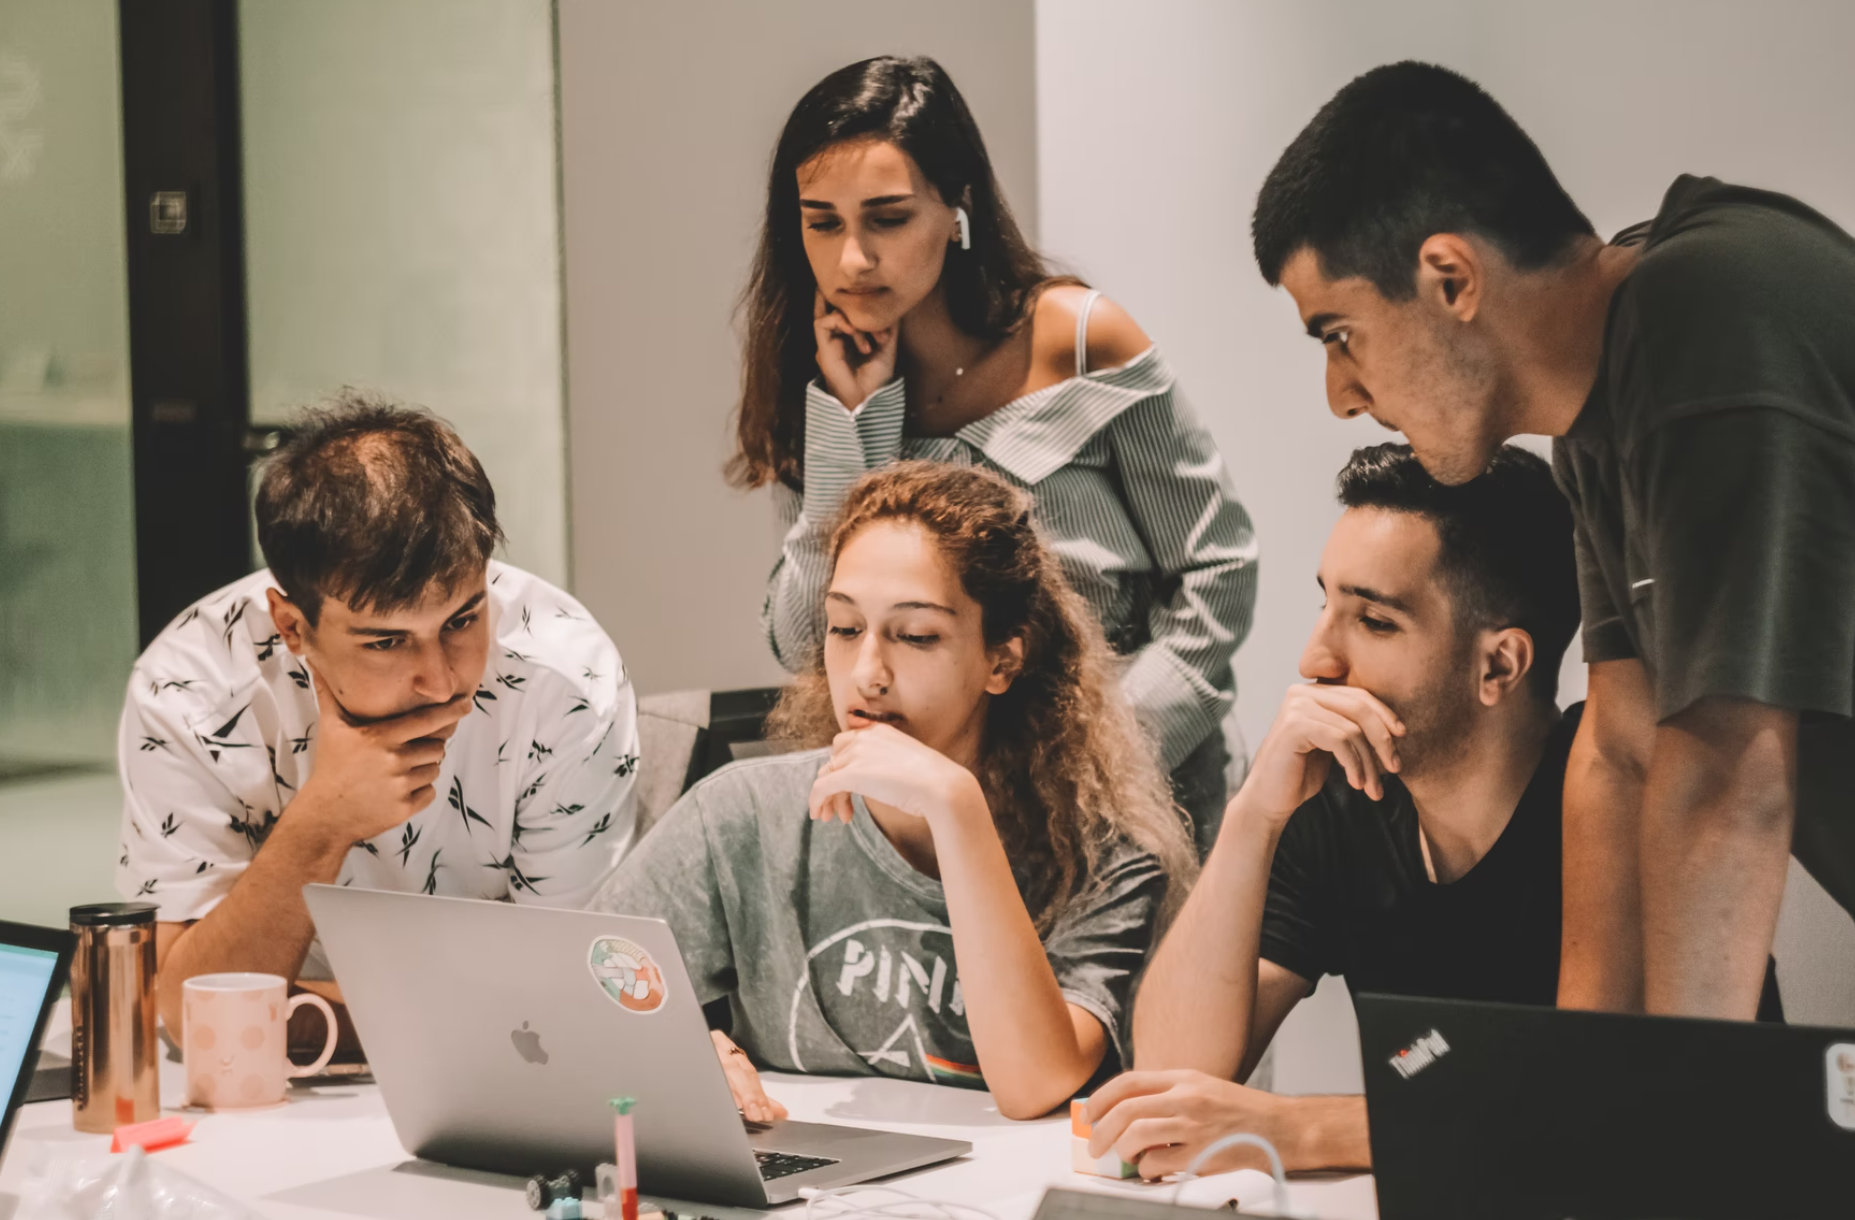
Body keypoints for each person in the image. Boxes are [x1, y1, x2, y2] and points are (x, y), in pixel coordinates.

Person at [1250, 61, 1855, 1021]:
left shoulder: (1704, 312)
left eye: (1339, 335)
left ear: (1448, 278)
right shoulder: (1600, 415)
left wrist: (1664, 1100)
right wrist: (1578, 1081)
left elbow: (1726, 771)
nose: (1341, 396)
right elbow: (1621, 749)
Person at [1084, 445, 1782, 1178]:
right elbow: (1168, 1071)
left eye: (1374, 622)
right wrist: (1251, 817)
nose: (1315, 660)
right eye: (1325, 604)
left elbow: (1611, 1111)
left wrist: (1306, 1128)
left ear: (1499, 666)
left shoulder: (1623, 799)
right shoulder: (1338, 802)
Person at [733, 55, 1257, 849]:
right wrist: (852, 422)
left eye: (887, 217)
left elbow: (1217, 572)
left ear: (957, 209)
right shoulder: (823, 376)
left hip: (1140, 802)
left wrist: (1115, 752)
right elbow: (808, 639)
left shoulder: (1080, 337)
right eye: (823, 221)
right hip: (930, 816)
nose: (852, 260)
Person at [596, 462, 1196, 1121]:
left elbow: (1033, 1085)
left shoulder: (1100, 857)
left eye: (915, 636)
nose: (867, 673)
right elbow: (574, 994)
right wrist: (678, 1049)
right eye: (845, 629)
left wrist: (956, 807)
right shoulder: (742, 813)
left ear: (1002, 659)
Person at [118, 392, 640, 1041]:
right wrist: (321, 822)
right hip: (261, 1085)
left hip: (507, 1074)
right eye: (386, 641)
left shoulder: (567, 680)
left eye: (462, 619)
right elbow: (181, 1012)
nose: (443, 679)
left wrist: (300, 1015)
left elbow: (576, 993)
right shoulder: (189, 690)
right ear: (292, 626)